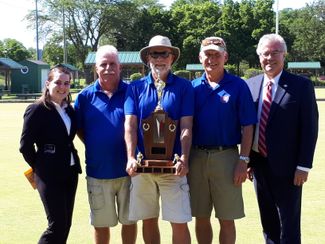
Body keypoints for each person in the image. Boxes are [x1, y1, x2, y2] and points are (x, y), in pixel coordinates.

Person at [246, 33, 318, 244]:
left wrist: (303, 166)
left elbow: (309, 128)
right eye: (265, 53)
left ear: (284, 55)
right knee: (268, 222)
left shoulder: (301, 86)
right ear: (259, 56)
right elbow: (248, 126)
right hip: (259, 165)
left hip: (289, 168)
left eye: (275, 52)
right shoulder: (250, 85)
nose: (270, 58)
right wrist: (247, 160)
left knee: (289, 224)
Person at [124, 35, 193, 244]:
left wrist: (184, 157)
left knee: (179, 221)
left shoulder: (184, 86)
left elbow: (186, 126)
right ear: (148, 58)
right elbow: (130, 125)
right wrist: (130, 157)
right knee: (148, 219)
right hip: (143, 165)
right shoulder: (134, 88)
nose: (159, 58)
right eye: (155, 53)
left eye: (164, 53)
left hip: (173, 166)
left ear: (172, 58)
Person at [189, 36, 257, 244]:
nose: (211, 59)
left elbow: (248, 126)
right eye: (207, 54)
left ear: (225, 57)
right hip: (196, 157)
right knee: (201, 217)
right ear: (200, 57)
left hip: (227, 157)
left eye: (216, 55)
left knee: (227, 218)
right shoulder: (192, 87)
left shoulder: (238, 86)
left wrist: (243, 161)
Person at [74, 45, 137, 244]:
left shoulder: (132, 91)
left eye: (112, 64)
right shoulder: (84, 97)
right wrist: (95, 144)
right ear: (96, 68)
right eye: (104, 64)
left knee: (130, 221)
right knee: (101, 225)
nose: (108, 68)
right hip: (97, 172)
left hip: (128, 172)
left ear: (120, 67)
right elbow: (79, 128)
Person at [19, 65, 82, 244]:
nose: (62, 87)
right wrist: (40, 166)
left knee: (66, 224)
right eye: (58, 82)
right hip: (48, 174)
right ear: (48, 83)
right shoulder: (36, 109)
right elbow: (25, 146)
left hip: (70, 172)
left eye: (67, 83)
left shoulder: (69, 109)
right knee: (56, 224)